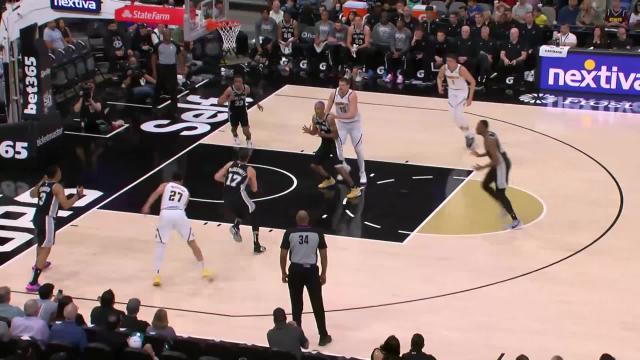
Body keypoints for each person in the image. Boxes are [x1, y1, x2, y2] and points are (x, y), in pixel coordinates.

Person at [141, 172, 212, 286]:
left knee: (161, 244)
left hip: (166, 213)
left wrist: (147, 205)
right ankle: (204, 269)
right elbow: (184, 206)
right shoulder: (186, 191)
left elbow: (156, 194)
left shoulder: (165, 185)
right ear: (181, 181)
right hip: (179, 214)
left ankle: (157, 276)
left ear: (172, 179)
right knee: (191, 242)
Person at [26, 166, 83, 292]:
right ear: (56, 174)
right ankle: (33, 282)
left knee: (41, 242)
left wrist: (42, 181)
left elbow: (32, 194)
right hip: (47, 219)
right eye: (59, 171)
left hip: (37, 217)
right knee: (46, 248)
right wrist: (77, 196)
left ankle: (39, 263)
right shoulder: (57, 187)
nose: (61, 172)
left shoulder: (43, 184)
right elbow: (66, 205)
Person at [280, 210, 332, 346]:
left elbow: (283, 255)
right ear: (308, 220)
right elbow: (324, 255)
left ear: (297, 220)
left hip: (295, 270)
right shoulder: (317, 233)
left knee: (296, 306)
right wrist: (324, 273)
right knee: (317, 304)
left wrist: (283, 272)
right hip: (311, 271)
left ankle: (298, 338)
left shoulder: (289, 232)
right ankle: (323, 336)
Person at [304, 101, 362, 198]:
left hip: (335, 144)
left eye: (318, 109)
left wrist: (324, 135)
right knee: (314, 165)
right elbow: (315, 132)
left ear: (323, 109)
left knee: (338, 167)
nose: (316, 111)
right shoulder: (314, 117)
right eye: (315, 109)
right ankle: (329, 179)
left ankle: (355, 188)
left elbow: (335, 135)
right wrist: (310, 132)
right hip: (325, 143)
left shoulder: (329, 118)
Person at [214, 148, 267, 254]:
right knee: (254, 212)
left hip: (226, 197)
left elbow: (217, 177)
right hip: (238, 196)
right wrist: (246, 182)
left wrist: (229, 181)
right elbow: (254, 189)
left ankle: (236, 227)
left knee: (243, 210)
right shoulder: (250, 170)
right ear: (248, 158)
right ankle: (256, 246)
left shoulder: (230, 164)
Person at [471, 120, 521, 229]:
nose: (476, 128)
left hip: (501, 166)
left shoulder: (489, 140)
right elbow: (492, 151)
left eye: (478, 126)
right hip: (499, 162)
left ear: (484, 128)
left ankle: (516, 221)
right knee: (485, 185)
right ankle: (503, 205)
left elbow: (496, 160)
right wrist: (480, 155)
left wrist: (482, 167)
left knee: (501, 193)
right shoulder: (489, 135)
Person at [325, 77, 367, 185]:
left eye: (343, 85)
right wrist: (322, 119)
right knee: (338, 147)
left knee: (358, 149)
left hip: (354, 124)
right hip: (342, 125)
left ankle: (362, 172)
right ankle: (345, 167)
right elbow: (327, 109)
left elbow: (352, 114)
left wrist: (336, 117)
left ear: (348, 86)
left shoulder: (352, 95)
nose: (341, 87)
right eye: (340, 84)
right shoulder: (334, 93)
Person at [437, 54, 476, 150]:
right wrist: (439, 86)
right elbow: (439, 77)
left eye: (450, 61)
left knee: (458, 114)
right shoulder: (444, 68)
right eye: (447, 61)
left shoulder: (461, 69)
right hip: (452, 92)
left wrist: (470, 98)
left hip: (462, 92)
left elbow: (473, 82)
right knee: (454, 117)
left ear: (455, 61)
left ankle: (469, 136)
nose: (448, 63)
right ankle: (468, 135)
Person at [217, 74, 264, 148]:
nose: (238, 83)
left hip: (242, 111)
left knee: (246, 131)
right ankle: (235, 136)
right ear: (234, 82)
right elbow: (219, 102)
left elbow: (253, 95)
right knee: (234, 129)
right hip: (233, 112)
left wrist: (257, 104)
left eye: (240, 82)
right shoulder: (230, 90)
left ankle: (248, 140)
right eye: (236, 82)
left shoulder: (246, 88)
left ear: (242, 82)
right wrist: (229, 99)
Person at [151, 29, 184, 114]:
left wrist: (181, 68)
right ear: (163, 36)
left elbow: (180, 56)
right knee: (158, 86)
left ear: (170, 35)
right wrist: (154, 71)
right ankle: (154, 105)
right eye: (166, 35)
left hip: (172, 67)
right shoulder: (158, 45)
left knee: (173, 88)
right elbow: (153, 58)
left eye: (169, 35)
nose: (167, 37)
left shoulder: (175, 45)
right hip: (162, 67)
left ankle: (174, 109)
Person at [384, 18, 412, 84]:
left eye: (400, 23)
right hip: (395, 49)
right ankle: (389, 74)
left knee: (404, 58)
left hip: (403, 50)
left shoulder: (407, 32)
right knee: (387, 56)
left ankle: (401, 75)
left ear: (403, 24)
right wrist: (394, 52)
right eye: (397, 23)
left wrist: (400, 53)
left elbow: (407, 45)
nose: (398, 24)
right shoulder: (393, 31)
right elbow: (392, 43)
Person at [346, 14, 371, 82]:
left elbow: (366, 43)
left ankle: (360, 70)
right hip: (353, 46)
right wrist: (351, 48)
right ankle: (348, 69)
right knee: (346, 49)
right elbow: (348, 42)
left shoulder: (366, 29)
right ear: (353, 21)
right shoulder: (351, 28)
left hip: (362, 46)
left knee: (364, 50)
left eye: (359, 20)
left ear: (361, 21)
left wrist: (357, 48)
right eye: (356, 21)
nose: (357, 22)